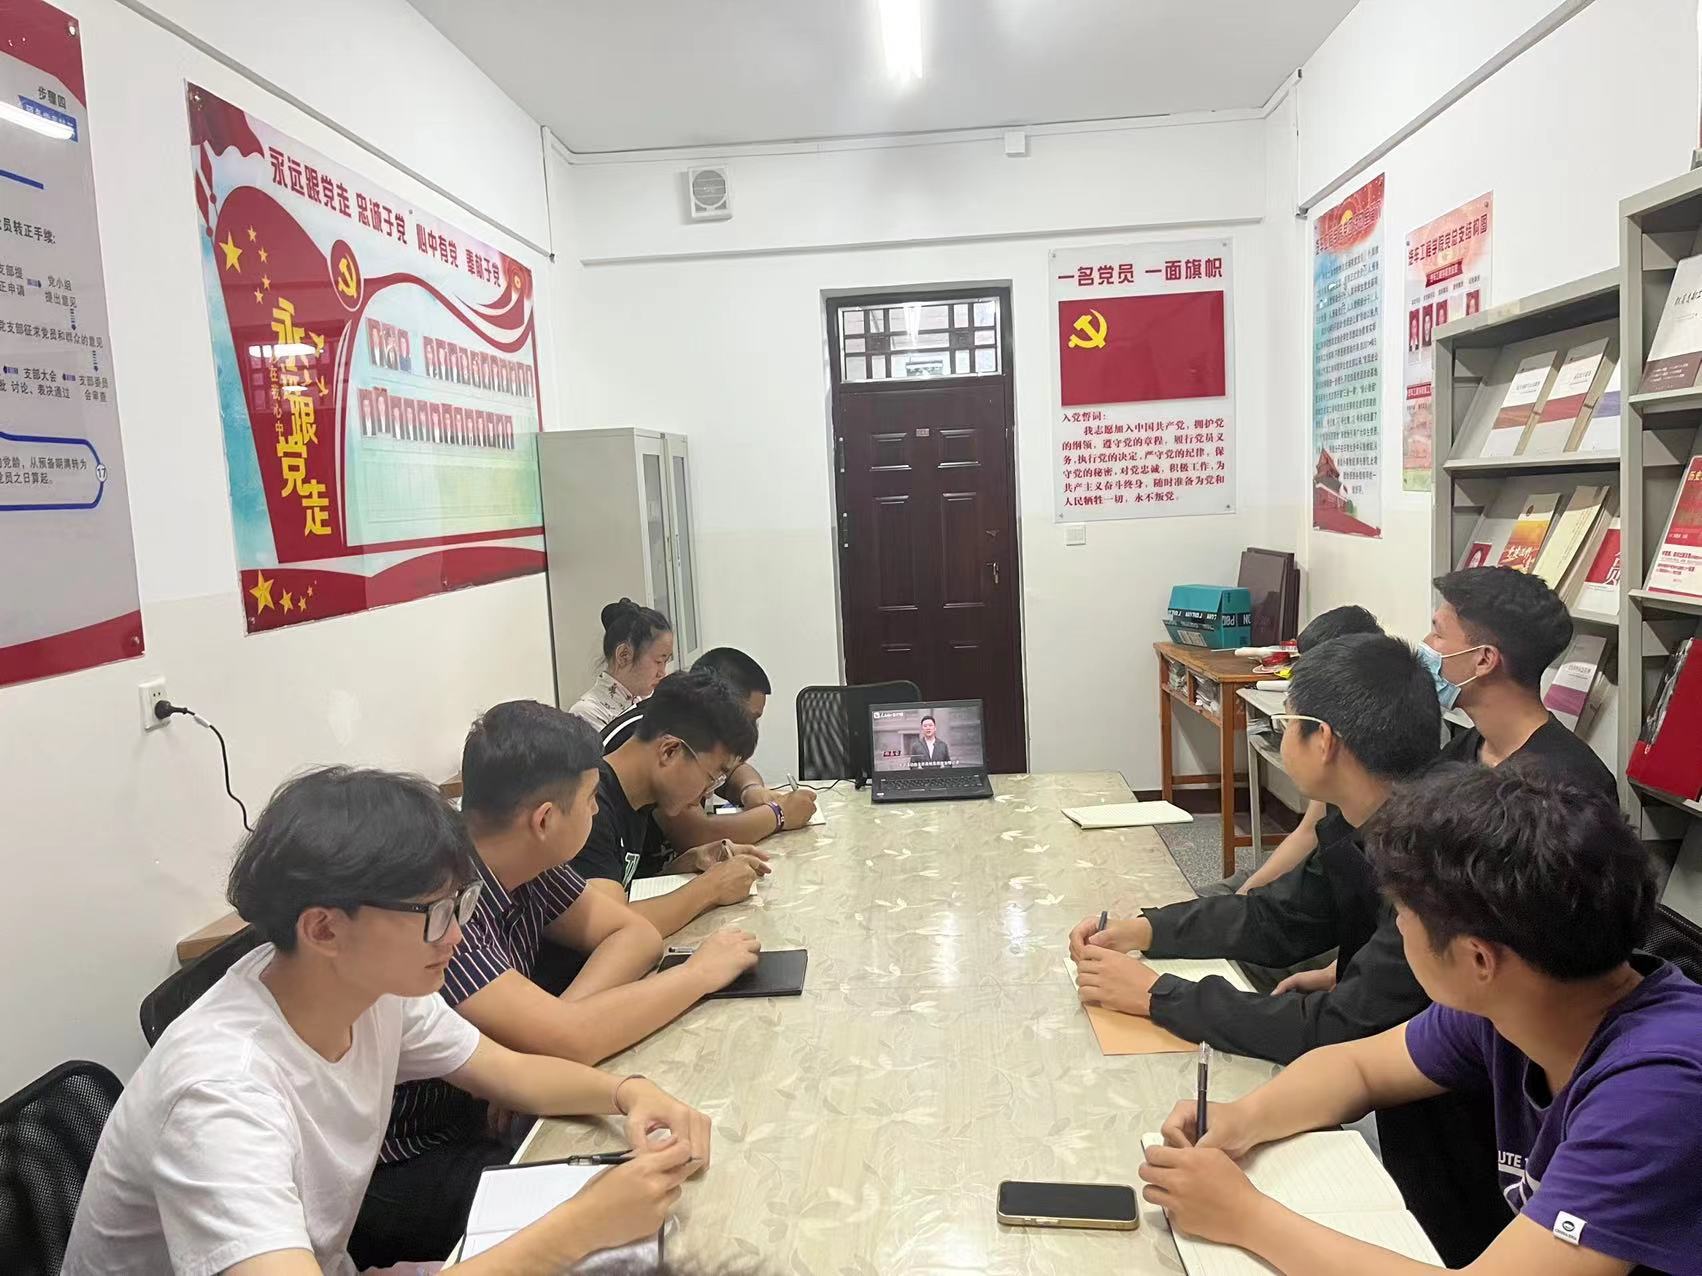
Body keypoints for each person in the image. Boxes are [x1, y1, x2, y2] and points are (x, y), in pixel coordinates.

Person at [64, 766, 710, 1276]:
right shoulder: (221, 1094)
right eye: (436, 914)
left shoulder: (368, 989)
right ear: (324, 929)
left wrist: (628, 1093)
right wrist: (579, 1227)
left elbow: (512, 1073)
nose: (457, 935)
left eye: (462, 904)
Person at [1139, 766, 1702, 1276]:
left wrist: (1247, 1217)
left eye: (1403, 916)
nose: (1399, 929)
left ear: (1478, 959)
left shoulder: (1657, 1088)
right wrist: (1244, 1117)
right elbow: (1358, 1068)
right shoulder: (1520, 999)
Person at [350, 704, 760, 1268]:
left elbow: (635, 937)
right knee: (656, 1214)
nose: (595, 810)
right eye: (591, 799)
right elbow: (569, 1039)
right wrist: (696, 976)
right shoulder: (438, 910)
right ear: (545, 819)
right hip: (408, 1161)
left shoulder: (528, 866)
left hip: (483, 1101)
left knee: (651, 1177)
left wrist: (561, 1032)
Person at [1067, 632, 1439, 1064]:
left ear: (1322, 740)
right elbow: (1276, 917)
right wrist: (1145, 930)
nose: (1282, 737)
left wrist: (1156, 994)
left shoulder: (1432, 870)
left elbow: (1337, 1029)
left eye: (1286, 723)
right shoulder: (1359, 822)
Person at [1199, 604, 1384, 900]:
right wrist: (1245, 895)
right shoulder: (1340, 737)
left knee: (1211, 909)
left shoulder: (1368, 756)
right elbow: (1308, 831)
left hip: (1329, 891)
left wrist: (1244, 904)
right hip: (1314, 872)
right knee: (1211, 896)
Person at [575, 669, 769, 938]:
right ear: (669, 751)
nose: (706, 793)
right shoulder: (588, 806)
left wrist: (685, 864)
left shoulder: (637, 799)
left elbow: (623, 893)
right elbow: (607, 928)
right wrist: (712, 887)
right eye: (711, 777)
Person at [1423, 567, 1615, 796]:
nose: (1426, 643)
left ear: (1484, 659)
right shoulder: (1462, 751)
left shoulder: (1572, 787)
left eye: (1438, 634)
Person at [602, 647, 817, 849]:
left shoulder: (684, 724)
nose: (749, 728)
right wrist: (779, 814)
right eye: (750, 718)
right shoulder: (654, 736)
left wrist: (751, 790)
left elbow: (730, 769)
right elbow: (694, 834)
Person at [569, 599, 674, 730]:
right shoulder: (586, 714)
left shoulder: (650, 702)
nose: (662, 673)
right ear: (624, 655)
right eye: (658, 661)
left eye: (665, 662)